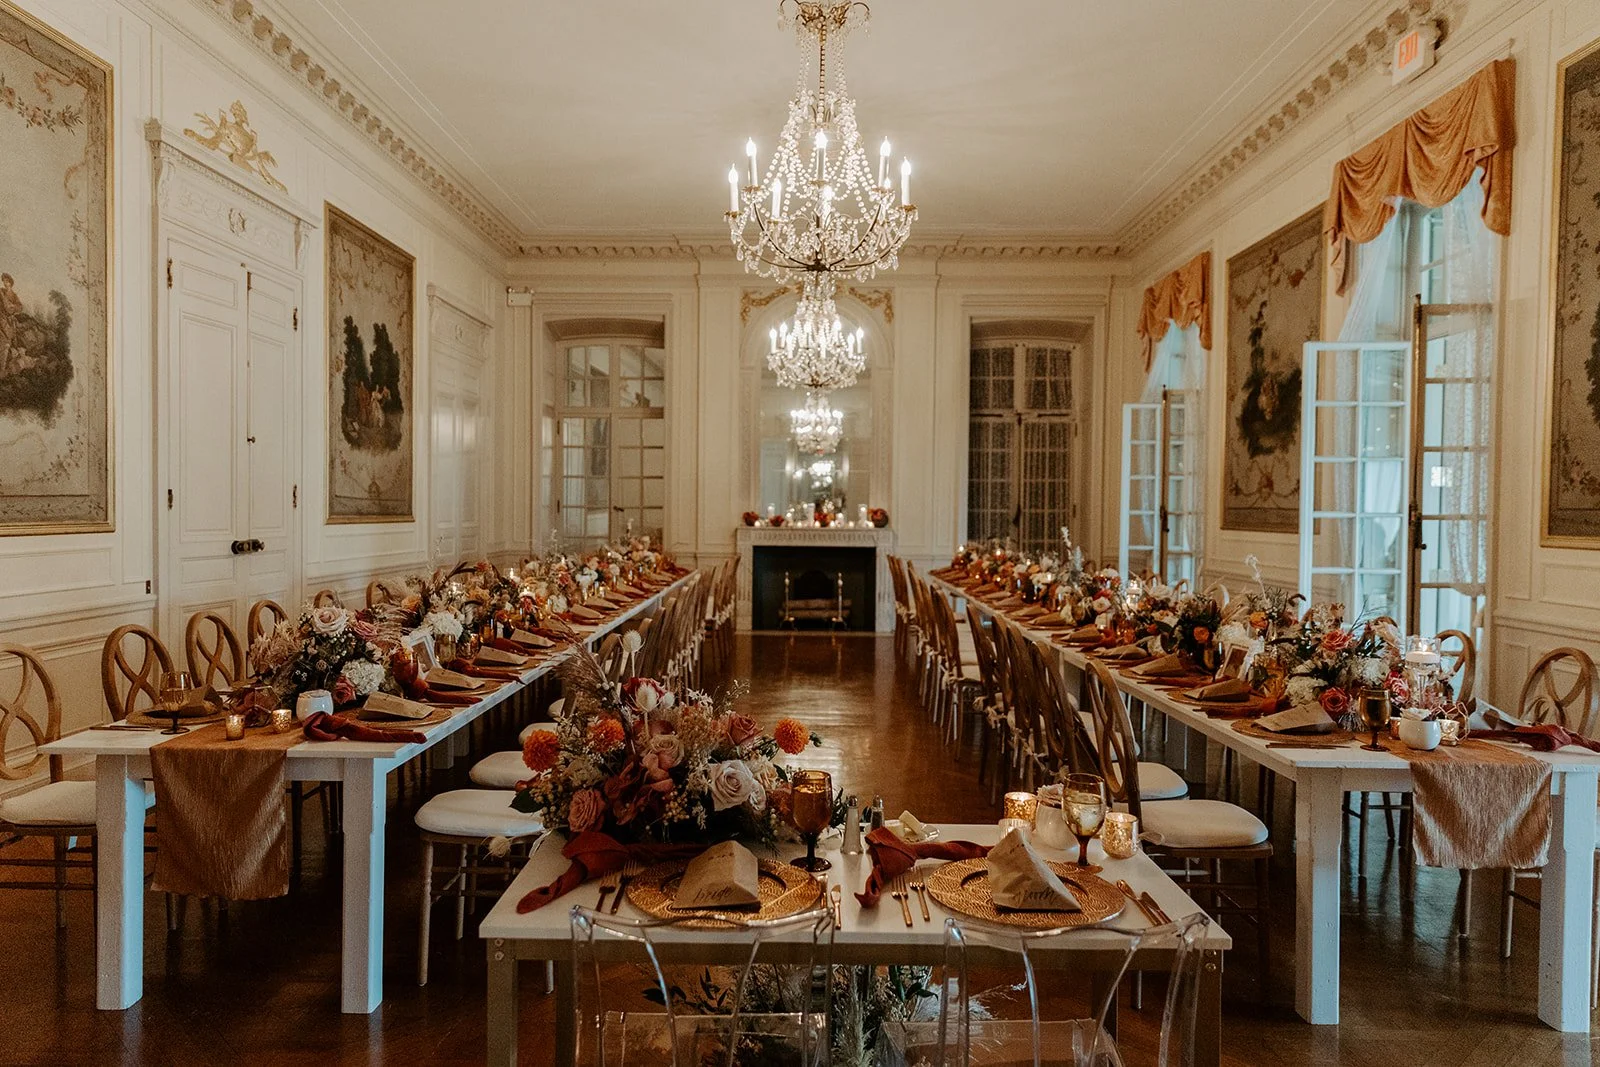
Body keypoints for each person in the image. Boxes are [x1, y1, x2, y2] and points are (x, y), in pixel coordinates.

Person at [0, 273, 22, 377]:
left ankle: (2, 370)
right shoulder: (1, 292)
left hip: (8, 324)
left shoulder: (14, 295)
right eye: (4, 281)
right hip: (1, 320)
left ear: (11, 282)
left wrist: (13, 306)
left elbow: (20, 307)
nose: (5, 283)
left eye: (7, 281)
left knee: (6, 345)